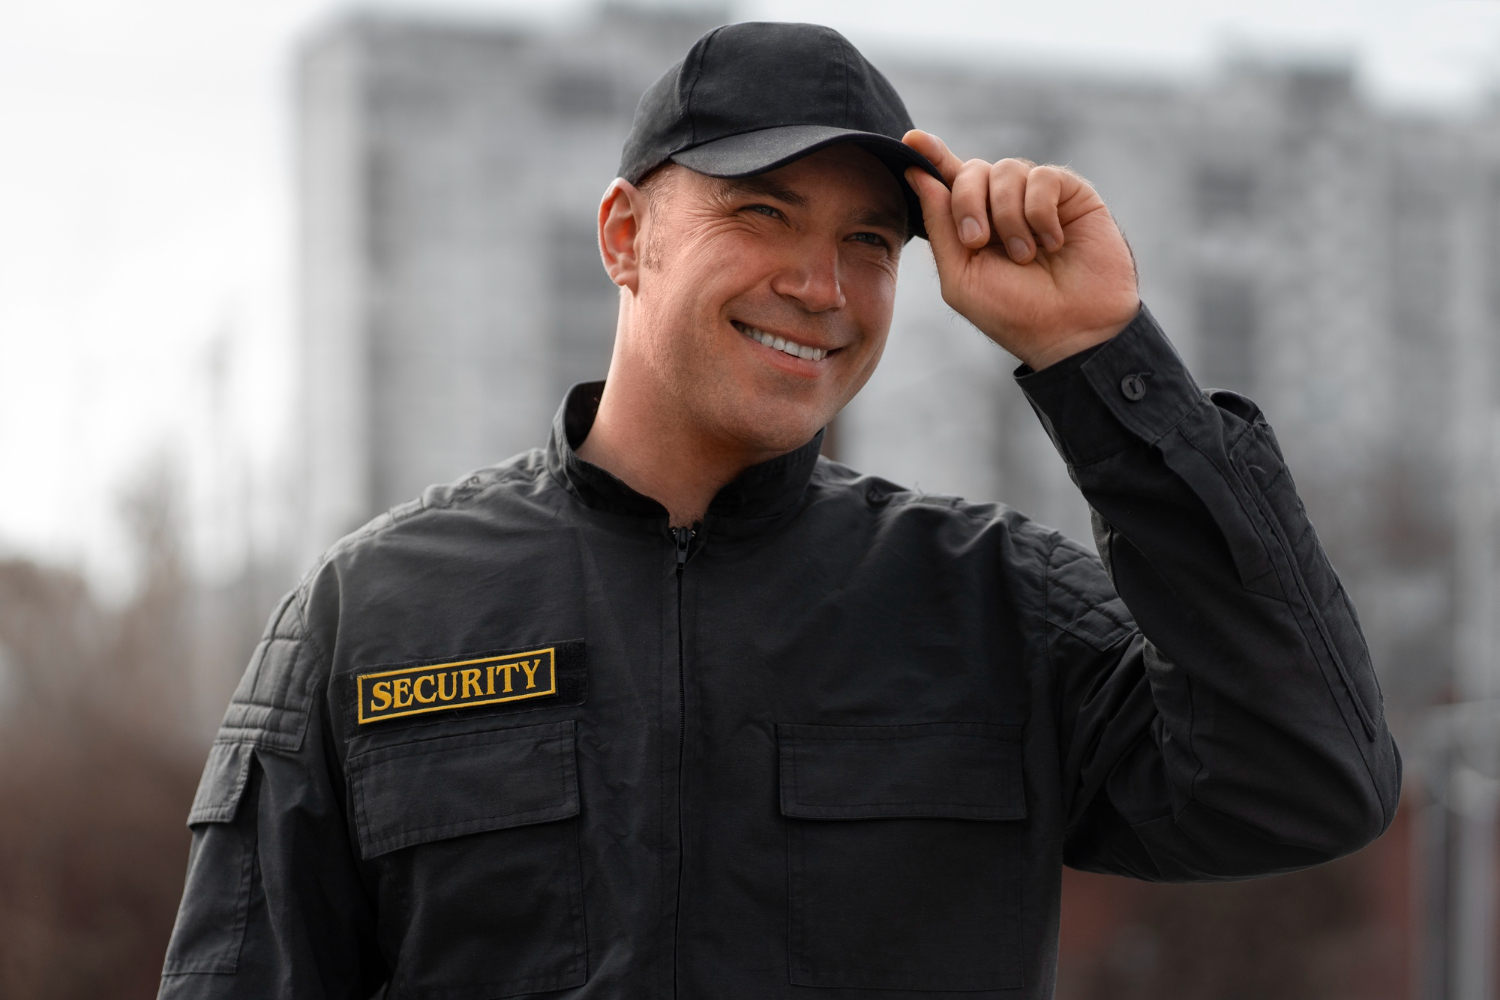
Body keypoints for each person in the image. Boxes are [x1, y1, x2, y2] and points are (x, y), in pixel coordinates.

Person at [159, 21, 1400, 1000]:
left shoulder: (994, 602)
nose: (822, 285)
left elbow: (1313, 775)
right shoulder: (373, 611)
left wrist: (1100, 358)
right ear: (625, 235)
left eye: (871, 242)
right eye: (763, 213)